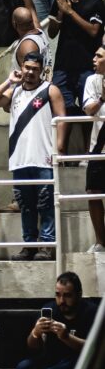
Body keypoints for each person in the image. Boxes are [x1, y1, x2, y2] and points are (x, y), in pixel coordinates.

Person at [0, 52, 65, 261]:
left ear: (42, 70)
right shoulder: (15, 91)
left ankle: (46, 245)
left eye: (34, 69)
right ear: (21, 67)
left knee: (46, 204)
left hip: (43, 157)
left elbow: (62, 120)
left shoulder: (50, 90)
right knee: (26, 206)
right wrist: (9, 81)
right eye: (27, 67)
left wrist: (59, 148)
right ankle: (29, 244)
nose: (30, 72)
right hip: (19, 159)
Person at [6, 272, 98, 369]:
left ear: (79, 295)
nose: (61, 301)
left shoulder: (91, 312)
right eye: (58, 295)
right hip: (52, 360)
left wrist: (66, 337)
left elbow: (93, 349)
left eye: (67, 296)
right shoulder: (50, 309)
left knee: (75, 367)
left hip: (76, 360)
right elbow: (32, 346)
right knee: (23, 367)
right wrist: (35, 333)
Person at [47, 0, 104, 143]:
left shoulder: (93, 1)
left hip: (87, 65)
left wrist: (71, 12)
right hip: (63, 65)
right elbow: (52, 32)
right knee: (62, 111)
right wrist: (62, 12)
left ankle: (88, 150)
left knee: (89, 110)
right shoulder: (61, 1)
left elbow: (94, 30)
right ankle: (61, 152)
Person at [82, 45, 105, 252]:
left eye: (99, 55)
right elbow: (89, 109)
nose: (94, 58)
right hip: (98, 147)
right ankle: (100, 241)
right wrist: (102, 98)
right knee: (93, 192)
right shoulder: (91, 81)